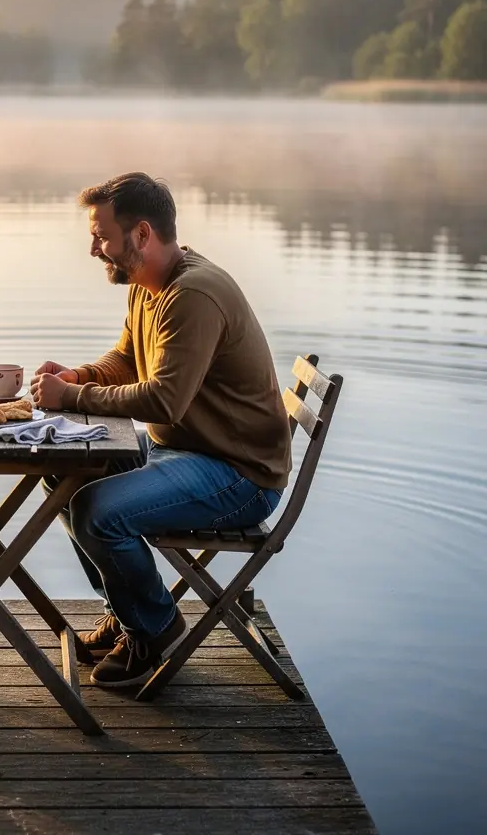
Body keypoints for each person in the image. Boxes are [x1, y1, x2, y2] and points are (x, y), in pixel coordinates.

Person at [30, 172, 290, 689]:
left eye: (101, 236)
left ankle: (156, 630)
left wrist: (72, 398)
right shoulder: (151, 285)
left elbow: (165, 401)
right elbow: (128, 358)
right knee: (62, 476)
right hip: (187, 451)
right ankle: (127, 612)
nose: (93, 249)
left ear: (141, 234)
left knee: (96, 511)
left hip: (238, 474)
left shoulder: (193, 293)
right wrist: (79, 376)